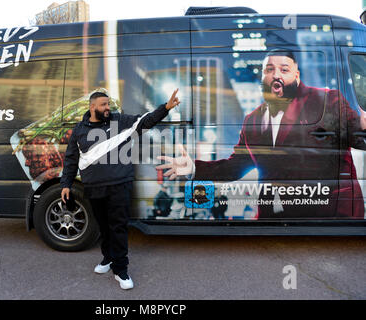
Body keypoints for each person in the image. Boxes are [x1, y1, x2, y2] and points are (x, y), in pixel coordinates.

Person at [157, 49, 366, 219]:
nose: (276, 74)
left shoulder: (327, 100)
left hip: (332, 215)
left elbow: (358, 136)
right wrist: (194, 168)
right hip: (277, 218)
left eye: (284, 69)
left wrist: (362, 126)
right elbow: (234, 168)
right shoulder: (252, 120)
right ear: (263, 76)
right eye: (270, 69)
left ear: (297, 75)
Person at [60, 89, 180, 290]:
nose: (108, 108)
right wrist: (66, 184)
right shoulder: (79, 130)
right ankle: (107, 258)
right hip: (93, 187)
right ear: (92, 107)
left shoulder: (120, 122)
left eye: (108, 104)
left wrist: (165, 108)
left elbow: (146, 121)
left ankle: (121, 270)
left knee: (118, 227)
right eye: (103, 105)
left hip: (119, 185)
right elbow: (71, 159)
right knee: (104, 227)